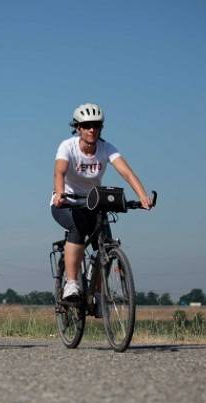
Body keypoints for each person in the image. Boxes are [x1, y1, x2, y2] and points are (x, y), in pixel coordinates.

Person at [51, 103, 154, 300]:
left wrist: (142, 195)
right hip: (67, 202)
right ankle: (71, 284)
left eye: (96, 126)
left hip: (93, 203)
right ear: (78, 128)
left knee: (105, 246)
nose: (92, 130)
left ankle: (97, 293)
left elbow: (126, 172)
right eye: (87, 125)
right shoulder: (67, 146)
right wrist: (60, 193)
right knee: (78, 230)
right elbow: (59, 171)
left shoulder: (106, 148)